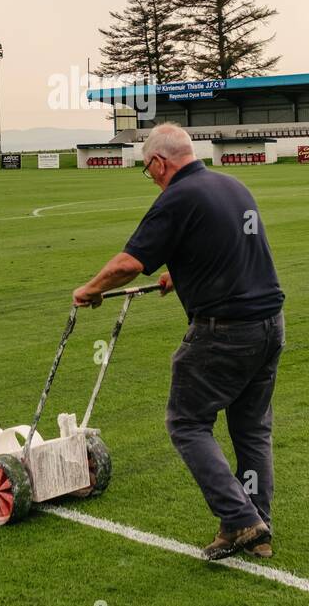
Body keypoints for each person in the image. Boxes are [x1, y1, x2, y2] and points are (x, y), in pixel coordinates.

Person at [72, 124, 285, 561]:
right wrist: (183, 271)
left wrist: (91, 289)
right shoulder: (233, 186)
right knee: (251, 428)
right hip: (270, 324)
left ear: (159, 162)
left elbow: (129, 263)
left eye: (147, 169)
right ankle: (254, 528)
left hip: (225, 330)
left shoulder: (177, 196)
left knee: (187, 422)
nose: (150, 177)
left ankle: (240, 517)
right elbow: (231, 247)